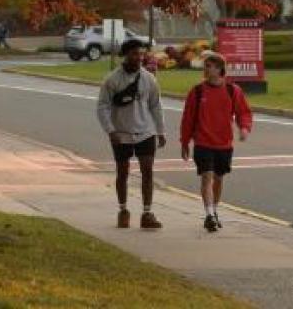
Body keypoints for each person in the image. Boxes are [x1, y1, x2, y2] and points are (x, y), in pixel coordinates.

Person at [97, 38, 166, 229]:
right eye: (135, 53)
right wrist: (110, 130)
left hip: (145, 132)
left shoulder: (149, 79)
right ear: (126, 55)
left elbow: (156, 106)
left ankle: (147, 213)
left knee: (147, 171)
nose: (139, 57)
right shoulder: (112, 80)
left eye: (141, 53)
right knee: (122, 172)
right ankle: (123, 210)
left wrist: (160, 131)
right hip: (121, 133)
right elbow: (102, 107)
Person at [180, 52, 253, 232]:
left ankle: (214, 210)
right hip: (203, 142)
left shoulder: (232, 90)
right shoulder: (197, 91)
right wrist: (184, 142)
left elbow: (244, 112)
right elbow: (187, 118)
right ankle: (209, 214)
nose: (205, 69)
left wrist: (244, 128)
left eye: (209, 66)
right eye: (205, 66)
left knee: (218, 179)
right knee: (207, 177)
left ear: (220, 69)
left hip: (224, 144)